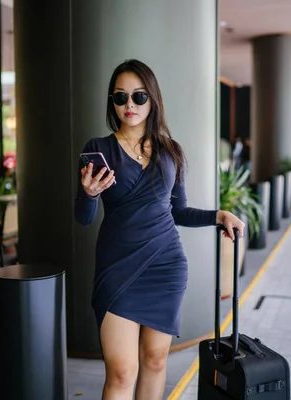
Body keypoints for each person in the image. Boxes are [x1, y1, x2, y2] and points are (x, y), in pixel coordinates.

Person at [73, 59, 245, 400]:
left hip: (166, 265)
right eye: (120, 97)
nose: (129, 106)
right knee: (121, 372)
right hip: (118, 269)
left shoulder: (171, 151)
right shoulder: (99, 149)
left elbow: (178, 211)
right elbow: (83, 217)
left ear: (152, 99)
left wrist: (219, 214)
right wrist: (89, 194)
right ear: (112, 102)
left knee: (154, 361)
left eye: (138, 97)